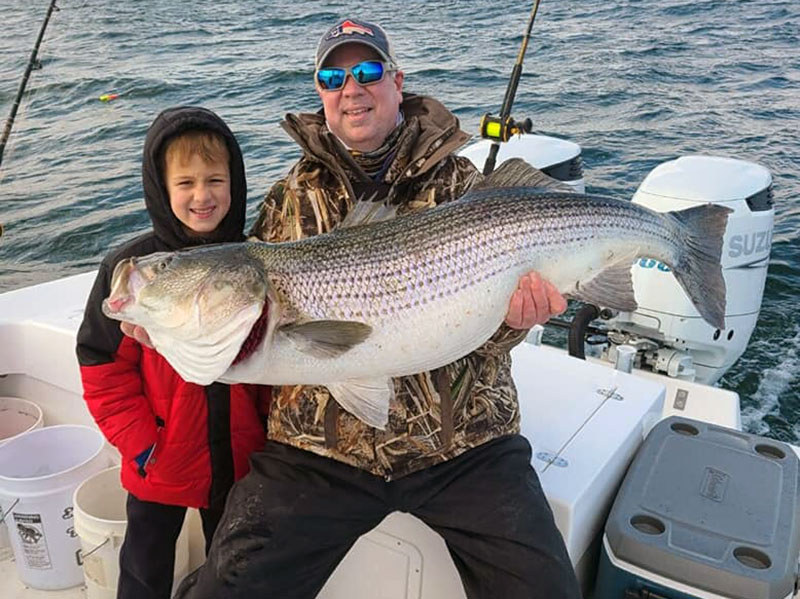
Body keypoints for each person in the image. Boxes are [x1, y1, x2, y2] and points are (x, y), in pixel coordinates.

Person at [174, 17, 581, 599]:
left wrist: (516, 321)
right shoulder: (290, 197)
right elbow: (241, 300)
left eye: (367, 71)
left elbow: (484, 334)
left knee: (547, 591)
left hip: (465, 444)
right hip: (319, 451)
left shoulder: (464, 185)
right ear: (320, 93)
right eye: (333, 76)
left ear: (397, 82)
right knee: (224, 588)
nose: (351, 88)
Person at [75, 106, 271, 599]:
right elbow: (102, 368)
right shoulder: (131, 268)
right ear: (162, 188)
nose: (202, 196)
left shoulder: (256, 260)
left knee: (228, 566)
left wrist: (265, 438)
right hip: (157, 464)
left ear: (236, 182)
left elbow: (274, 369)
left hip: (237, 460)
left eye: (215, 180)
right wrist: (143, 445)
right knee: (143, 569)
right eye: (185, 183)